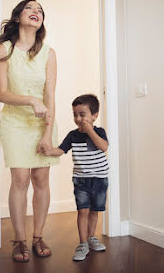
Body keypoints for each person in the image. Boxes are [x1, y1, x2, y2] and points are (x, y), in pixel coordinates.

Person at [0, 0, 59, 262]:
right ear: (17, 17)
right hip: (15, 123)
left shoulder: (49, 53)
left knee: (41, 181)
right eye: (30, 8)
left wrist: (48, 133)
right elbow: (2, 93)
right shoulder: (3, 49)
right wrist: (30, 100)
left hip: (43, 123)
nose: (36, 12)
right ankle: (19, 240)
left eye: (40, 9)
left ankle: (38, 236)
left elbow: (50, 96)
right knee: (20, 180)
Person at [43, 94, 109, 261]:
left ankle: (92, 237)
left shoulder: (100, 132)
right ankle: (83, 242)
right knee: (82, 211)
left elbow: (103, 147)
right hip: (81, 181)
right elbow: (61, 149)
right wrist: (50, 151)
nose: (78, 118)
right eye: (75, 114)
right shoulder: (73, 135)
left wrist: (90, 131)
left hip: (100, 179)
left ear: (94, 116)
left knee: (95, 211)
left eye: (82, 114)